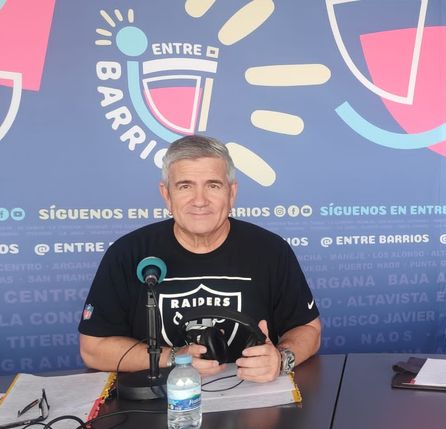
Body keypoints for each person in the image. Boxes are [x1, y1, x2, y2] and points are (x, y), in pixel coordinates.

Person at [79, 135, 321, 383]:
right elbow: (93, 348)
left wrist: (281, 358)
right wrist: (174, 358)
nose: (200, 201)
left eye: (213, 186)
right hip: (159, 399)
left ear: (232, 192)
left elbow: (309, 330)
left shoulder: (270, 250)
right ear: (166, 194)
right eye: (185, 186)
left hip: (253, 395)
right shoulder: (128, 253)